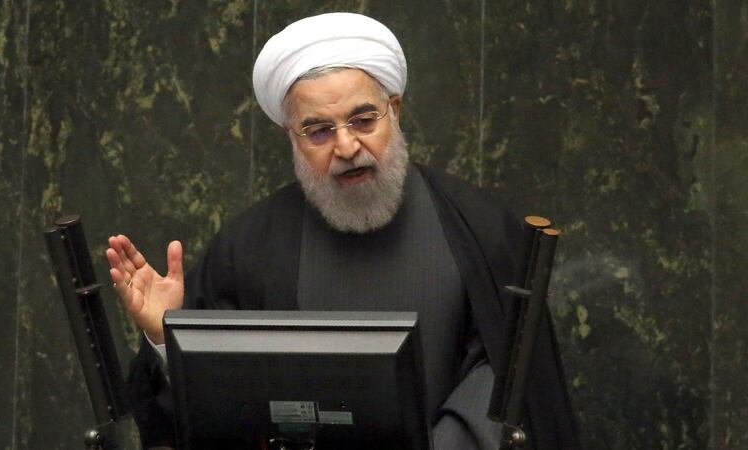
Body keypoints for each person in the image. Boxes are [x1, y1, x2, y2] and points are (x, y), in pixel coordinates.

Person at [106, 12, 579, 450]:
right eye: (319, 131)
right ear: (291, 137)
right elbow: (217, 405)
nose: (347, 145)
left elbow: (505, 374)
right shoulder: (248, 248)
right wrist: (169, 341)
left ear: (394, 109)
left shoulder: (478, 227)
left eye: (363, 119)